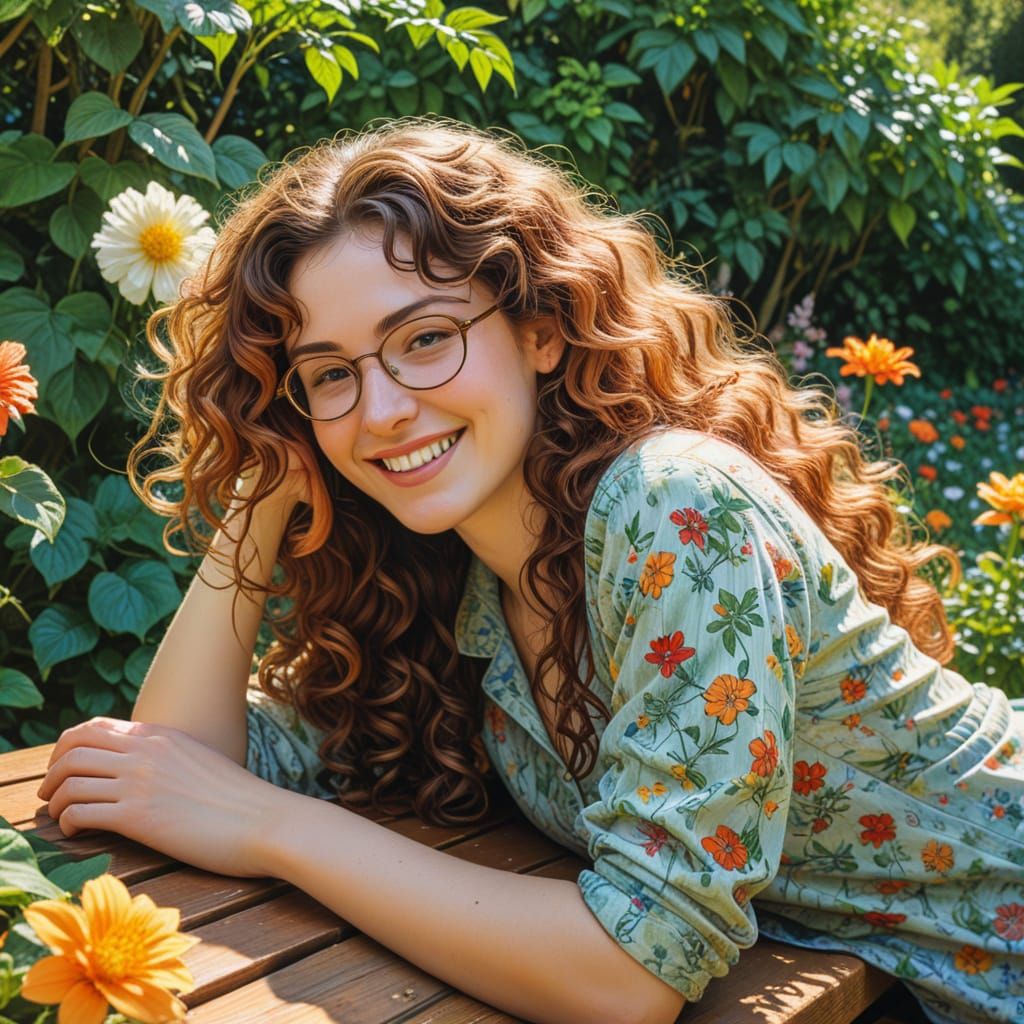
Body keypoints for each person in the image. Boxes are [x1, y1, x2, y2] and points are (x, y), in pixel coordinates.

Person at [36, 118, 1022, 1024]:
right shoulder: (458, 583)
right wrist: (263, 496)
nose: (378, 410)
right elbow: (168, 776)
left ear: (538, 327)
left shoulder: (675, 507)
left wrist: (268, 829)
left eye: (424, 338)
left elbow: (628, 977)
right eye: (330, 372)